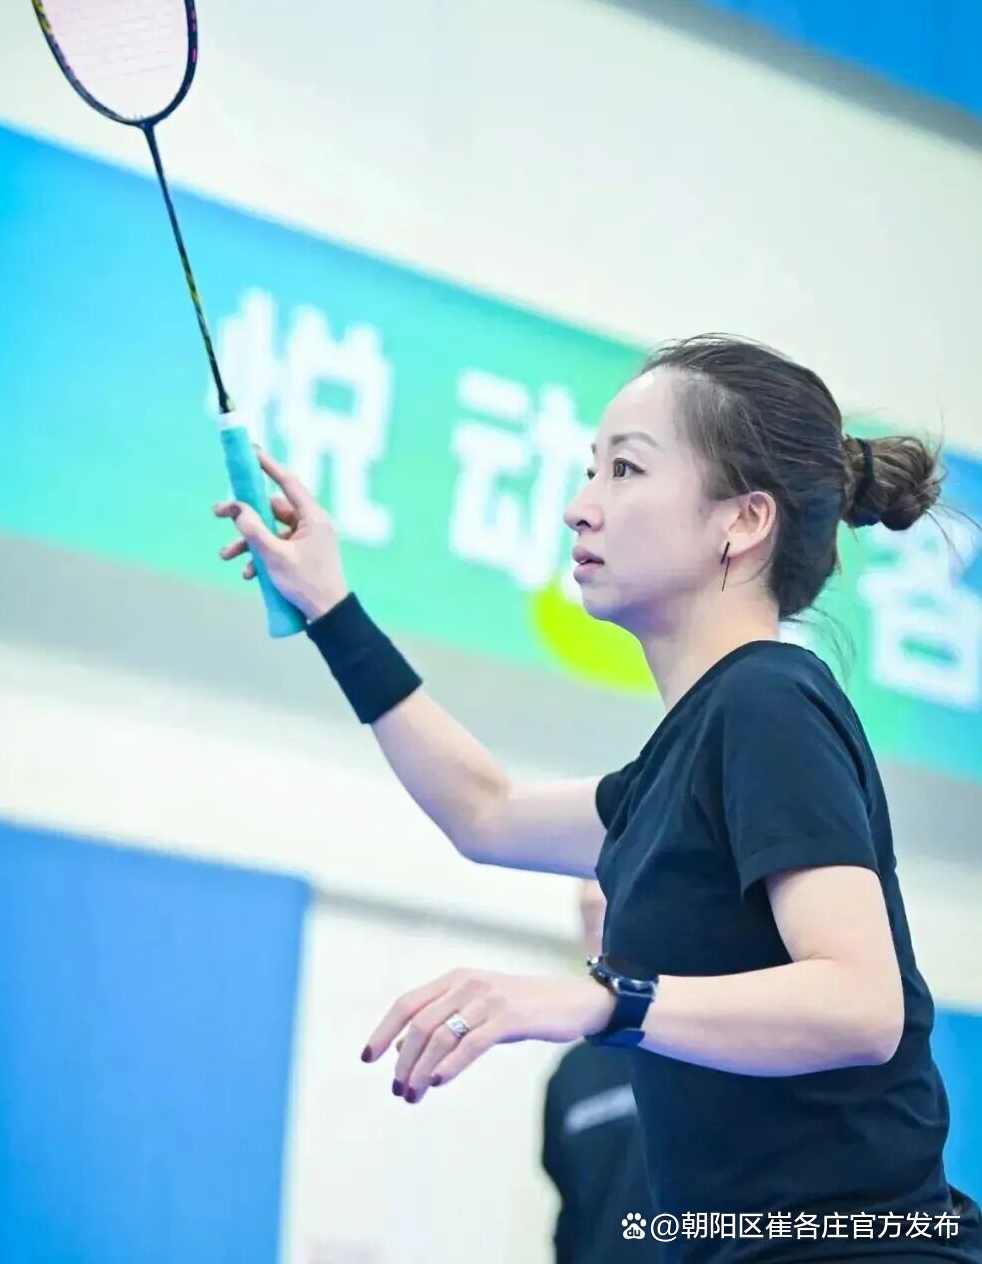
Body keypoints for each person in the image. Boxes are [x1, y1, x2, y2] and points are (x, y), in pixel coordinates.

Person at [214, 334, 982, 1262]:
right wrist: (332, 610)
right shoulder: (687, 753)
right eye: (591, 470)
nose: (579, 507)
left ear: (743, 520)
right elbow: (484, 811)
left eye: (625, 470)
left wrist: (600, 1001)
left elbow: (860, 1005)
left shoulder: (769, 701)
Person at [543, 880, 657, 1264]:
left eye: (606, 912)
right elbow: (570, 1218)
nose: (598, 932)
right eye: (588, 919)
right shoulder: (573, 1073)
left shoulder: (725, 1047)